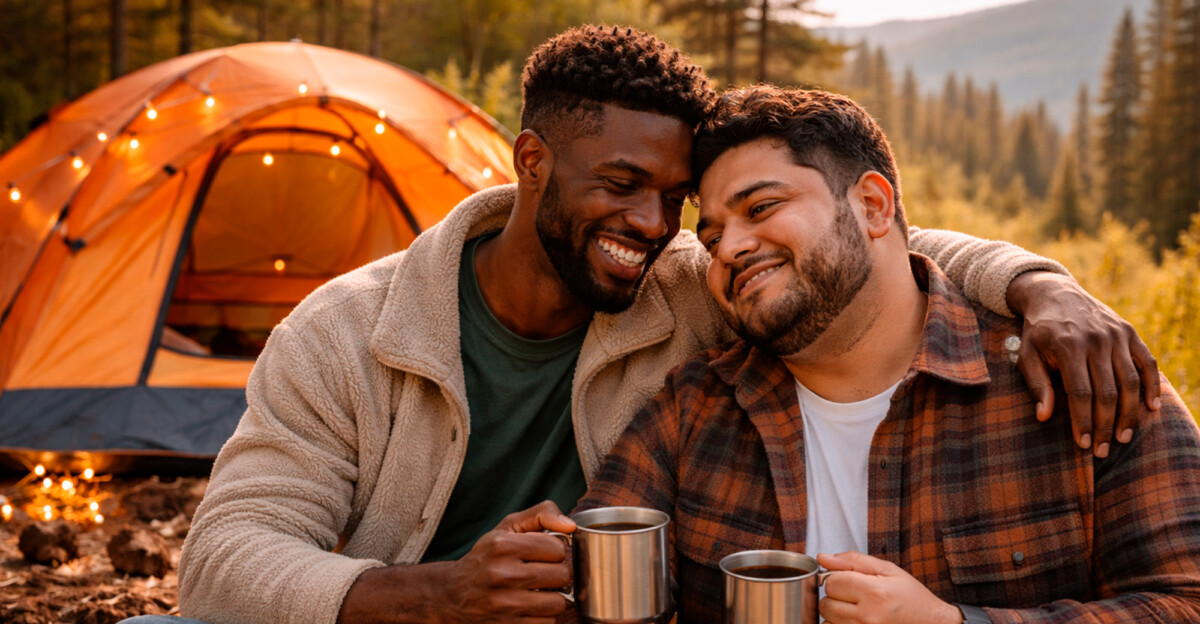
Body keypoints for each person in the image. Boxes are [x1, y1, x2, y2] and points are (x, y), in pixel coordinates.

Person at [157, 26, 1161, 624]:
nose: (654, 226)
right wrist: (436, 598)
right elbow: (224, 555)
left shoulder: (686, 285)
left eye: (677, 200)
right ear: (532, 162)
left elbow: (862, 249)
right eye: (623, 185)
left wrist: (1043, 286)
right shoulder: (348, 334)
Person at [575, 85, 1200, 623]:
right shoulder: (692, 411)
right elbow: (581, 586)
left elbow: (1185, 601)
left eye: (761, 208)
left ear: (873, 205)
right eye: (710, 239)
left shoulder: (1076, 377)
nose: (729, 248)